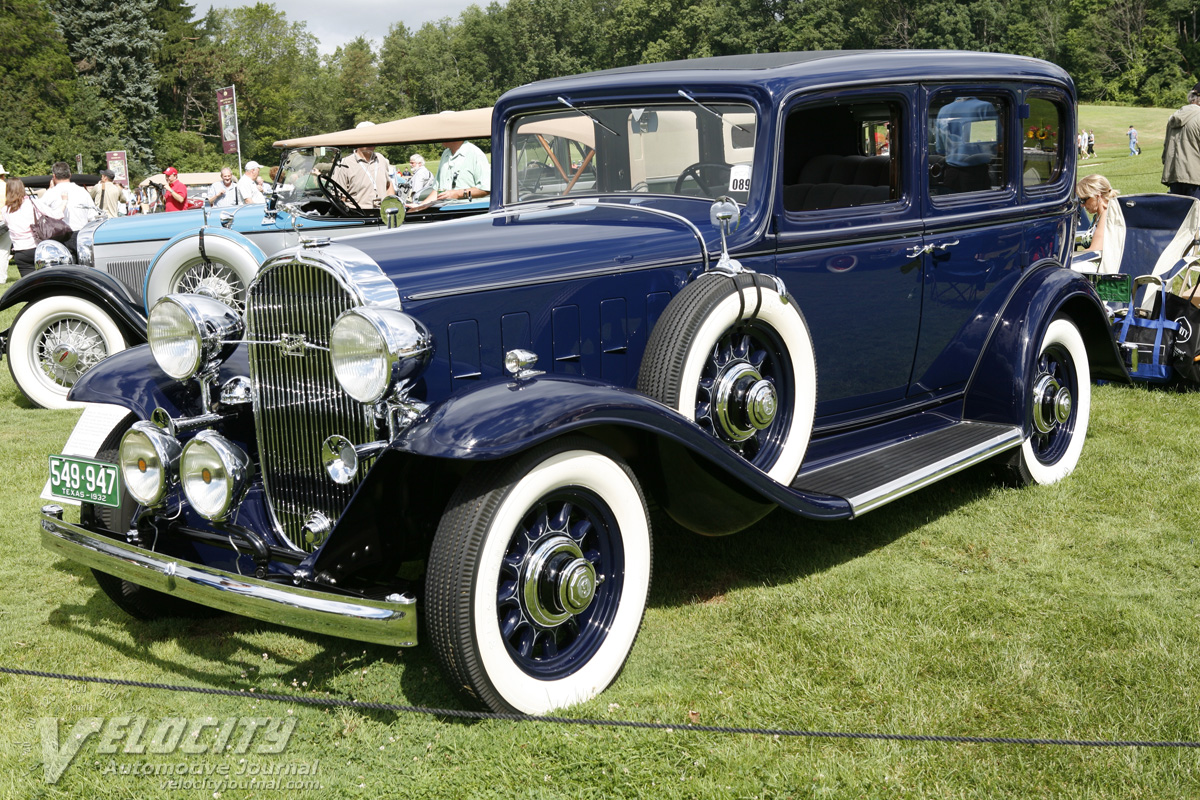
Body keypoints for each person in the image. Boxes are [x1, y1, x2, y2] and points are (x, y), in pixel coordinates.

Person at [2, 176, 66, 277]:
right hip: (36, 248)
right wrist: (64, 201)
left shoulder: (5, 210)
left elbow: (7, 224)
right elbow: (56, 215)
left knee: (30, 285)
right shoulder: (32, 203)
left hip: (20, 252)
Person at [42, 161, 98, 257]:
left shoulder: (50, 193)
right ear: (70, 175)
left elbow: (41, 214)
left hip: (59, 235)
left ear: (54, 176)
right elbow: (92, 216)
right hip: (81, 233)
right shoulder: (82, 192)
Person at [331, 134, 395, 210]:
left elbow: (388, 185)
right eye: (367, 138)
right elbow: (339, 198)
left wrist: (391, 205)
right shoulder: (345, 163)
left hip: (383, 214)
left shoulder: (381, 159)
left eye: (374, 139)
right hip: (358, 215)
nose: (371, 142)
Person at [1076, 174, 1123, 272]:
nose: (1082, 204)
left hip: (1101, 268)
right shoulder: (1097, 216)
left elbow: (1095, 249)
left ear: (1097, 196)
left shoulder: (1107, 215)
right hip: (1093, 264)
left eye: (1084, 200)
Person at [1162, 82, 1200, 200]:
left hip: (1174, 176)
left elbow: (1165, 149)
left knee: (1180, 216)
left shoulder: (1174, 117)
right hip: (1195, 178)